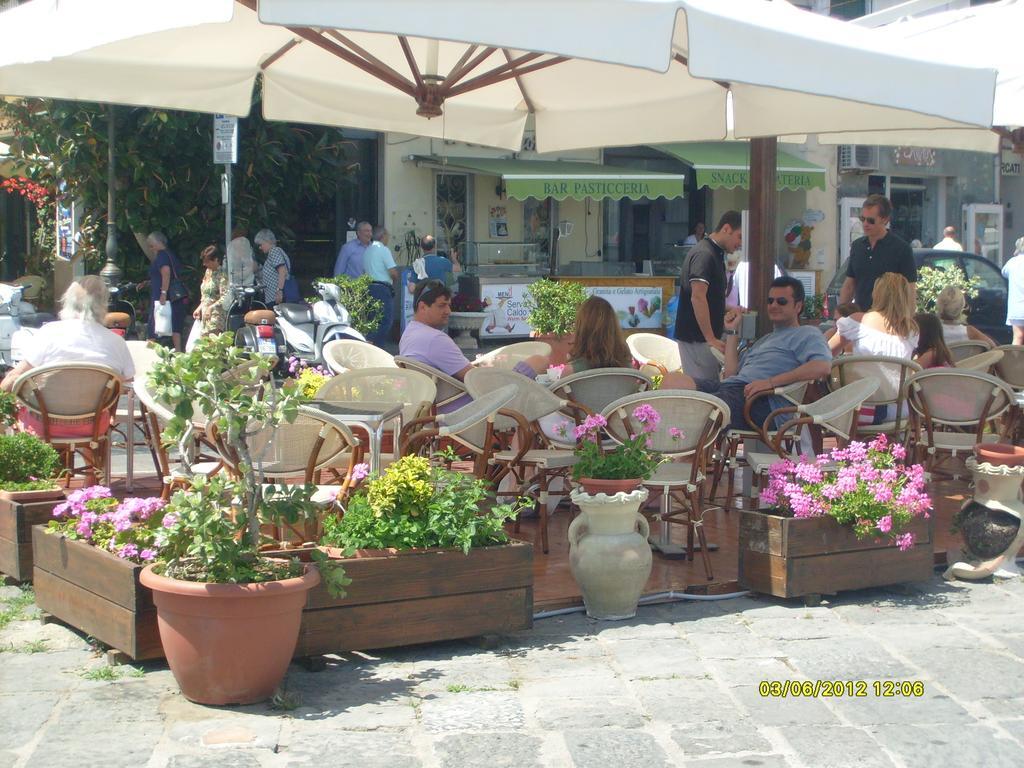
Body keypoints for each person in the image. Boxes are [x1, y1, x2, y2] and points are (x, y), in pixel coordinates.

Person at [670, 276, 830, 431]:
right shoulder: (765, 339)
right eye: (770, 301)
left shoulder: (807, 333)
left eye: (781, 301)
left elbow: (822, 367)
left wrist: (770, 382)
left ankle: (688, 456)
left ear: (798, 306)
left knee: (701, 408)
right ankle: (678, 452)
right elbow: (731, 373)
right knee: (673, 382)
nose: (774, 305)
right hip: (733, 389)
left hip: (763, 401)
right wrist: (732, 330)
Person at [399, 280, 547, 411]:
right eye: (442, 306)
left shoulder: (408, 334)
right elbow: (477, 381)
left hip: (436, 408)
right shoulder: (435, 339)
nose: (448, 311)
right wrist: (498, 373)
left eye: (448, 306)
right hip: (469, 409)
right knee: (538, 362)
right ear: (423, 307)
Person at [1, 276, 134, 392]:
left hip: (45, 417)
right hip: (97, 419)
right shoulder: (117, 342)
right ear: (104, 305)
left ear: (67, 301)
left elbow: (16, 376)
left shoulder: (49, 332)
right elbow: (129, 382)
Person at [829, 273, 919, 424]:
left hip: (860, 408)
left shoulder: (857, 321)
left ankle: (816, 444)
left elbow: (826, 353)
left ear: (876, 294)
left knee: (828, 381)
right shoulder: (911, 330)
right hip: (898, 410)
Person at [674, 210, 742, 380]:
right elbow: (697, 296)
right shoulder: (705, 254)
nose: (740, 244)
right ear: (726, 229)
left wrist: (731, 309)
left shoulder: (715, 253)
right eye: (739, 236)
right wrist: (710, 338)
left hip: (703, 338)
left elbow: (711, 297)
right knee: (703, 394)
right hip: (697, 339)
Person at [838, 194, 917, 312]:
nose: (865, 224)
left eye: (871, 220)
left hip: (889, 320)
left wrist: (908, 322)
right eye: (862, 219)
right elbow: (849, 285)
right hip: (861, 318)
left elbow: (910, 290)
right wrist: (840, 316)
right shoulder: (857, 246)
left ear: (885, 219)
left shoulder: (902, 249)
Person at [141, 231, 188, 351]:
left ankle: (149, 353)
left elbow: (166, 273)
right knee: (175, 326)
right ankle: (178, 352)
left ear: (158, 243)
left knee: (153, 324)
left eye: (151, 245)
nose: (151, 248)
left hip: (163, 296)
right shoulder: (169, 254)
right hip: (173, 297)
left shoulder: (161, 255)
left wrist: (163, 293)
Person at [563, 296, 631, 374]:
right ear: (614, 328)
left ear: (581, 329)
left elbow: (558, 386)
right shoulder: (630, 371)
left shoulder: (571, 372)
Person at [364, 225, 398, 347]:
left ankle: (370, 343)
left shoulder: (367, 250)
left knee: (373, 320)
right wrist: (395, 280)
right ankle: (377, 346)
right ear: (383, 236)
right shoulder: (383, 249)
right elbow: (393, 271)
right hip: (382, 288)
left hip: (369, 287)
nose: (388, 239)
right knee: (385, 320)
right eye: (388, 236)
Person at [193, 245, 228, 337]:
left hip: (216, 316)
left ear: (216, 260)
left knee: (212, 341)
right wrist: (199, 308)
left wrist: (211, 307)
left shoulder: (222, 275)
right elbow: (206, 295)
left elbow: (225, 297)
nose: (205, 264)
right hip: (205, 314)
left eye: (207, 262)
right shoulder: (208, 272)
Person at [254, 229, 291, 307]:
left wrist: (279, 291)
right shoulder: (274, 253)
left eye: (261, 244)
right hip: (274, 298)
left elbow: (282, 271)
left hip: (277, 298)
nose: (260, 248)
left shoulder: (274, 251)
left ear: (268, 241)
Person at [1002, 236, 1024, 346]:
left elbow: (1004, 273)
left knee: (1018, 337)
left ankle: (1015, 362)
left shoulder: (1012, 263)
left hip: (1017, 308)